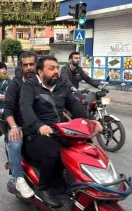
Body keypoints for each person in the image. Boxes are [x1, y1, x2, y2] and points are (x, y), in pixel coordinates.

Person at [20, 56, 102, 207]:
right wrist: (39, 126)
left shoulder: (61, 85)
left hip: (60, 131)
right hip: (35, 134)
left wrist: (91, 120)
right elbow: (26, 108)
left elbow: (74, 104)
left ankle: (85, 183)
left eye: (56, 67)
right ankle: (44, 188)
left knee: (86, 148)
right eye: (51, 68)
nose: (56, 71)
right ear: (40, 72)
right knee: (54, 153)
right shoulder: (30, 86)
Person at [4, 51, 37, 198]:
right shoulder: (15, 85)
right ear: (21, 67)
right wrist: (14, 127)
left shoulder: (41, 82)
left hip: (40, 125)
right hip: (21, 126)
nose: (29, 68)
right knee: (15, 142)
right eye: (26, 65)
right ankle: (18, 178)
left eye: (32, 64)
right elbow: (8, 109)